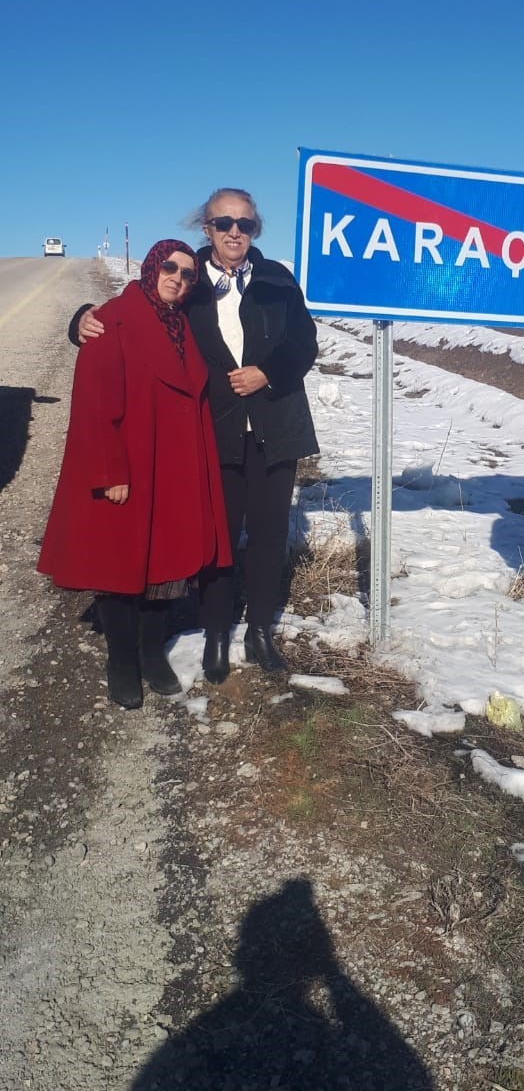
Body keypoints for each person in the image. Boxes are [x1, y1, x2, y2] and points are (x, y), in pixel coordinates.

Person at [74, 188, 319, 682]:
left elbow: (304, 342)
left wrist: (267, 373)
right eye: (224, 222)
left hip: (277, 424)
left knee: (270, 534)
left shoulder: (277, 279)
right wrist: (80, 318)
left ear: (255, 231)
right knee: (219, 537)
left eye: (245, 224)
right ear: (206, 228)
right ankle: (215, 635)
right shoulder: (188, 281)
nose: (234, 232)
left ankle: (259, 632)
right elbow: (136, 313)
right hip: (213, 432)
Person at [39, 240, 232, 710]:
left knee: (165, 571)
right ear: (151, 267)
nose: (178, 279)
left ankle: (151, 654)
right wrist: (110, 471)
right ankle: (121, 661)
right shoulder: (113, 318)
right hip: (128, 464)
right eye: (170, 268)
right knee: (119, 569)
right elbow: (93, 402)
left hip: (173, 466)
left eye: (188, 275)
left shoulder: (182, 325)